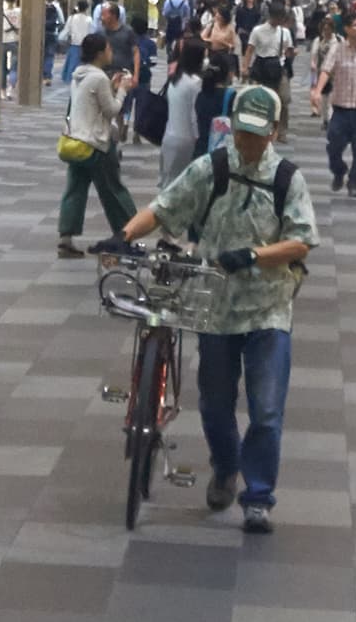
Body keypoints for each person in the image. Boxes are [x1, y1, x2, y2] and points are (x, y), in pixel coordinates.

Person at [124, 82, 319, 534]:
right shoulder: (211, 168)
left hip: (269, 308)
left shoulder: (287, 178)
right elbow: (164, 205)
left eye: (257, 134)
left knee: (267, 408)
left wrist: (253, 255)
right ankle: (226, 466)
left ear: (273, 131)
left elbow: (302, 241)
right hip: (214, 305)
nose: (247, 143)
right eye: (241, 132)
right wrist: (126, 233)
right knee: (214, 404)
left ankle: (258, 497)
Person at [56, 26, 138, 257]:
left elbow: (89, 104)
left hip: (75, 142)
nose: (111, 51)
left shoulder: (78, 75)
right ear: (100, 53)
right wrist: (121, 90)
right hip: (96, 145)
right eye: (108, 48)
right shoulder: (99, 78)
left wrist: (110, 88)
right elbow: (111, 110)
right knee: (113, 190)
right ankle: (129, 233)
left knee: (75, 189)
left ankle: (66, 237)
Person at [311, 15, 356, 197]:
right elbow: (325, 70)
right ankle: (339, 170)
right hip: (340, 109)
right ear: (346, 29)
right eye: (355, 25)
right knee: (333, 147)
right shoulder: (337, 50)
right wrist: (317, 91)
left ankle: (355, 183)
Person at [157, 35, 210, 182]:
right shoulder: (195, 83)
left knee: (168, 183)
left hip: (169, 137)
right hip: (186, 141)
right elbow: (194, 115)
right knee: (182, 184)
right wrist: (198, 137)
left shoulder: (175, 79)